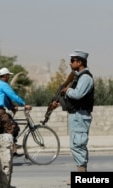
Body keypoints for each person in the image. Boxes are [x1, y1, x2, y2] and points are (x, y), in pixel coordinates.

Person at [51, 50, 94, 185]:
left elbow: (77, 95)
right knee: (77, 145)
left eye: (72, 61)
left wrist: (67, 90)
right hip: (76, 115)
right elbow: (73, 100)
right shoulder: (79, 77)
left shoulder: (85, 78)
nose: (70, 63)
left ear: (79, 62)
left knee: (78, 145)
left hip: (80, 116)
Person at [0, 67, 32, 157]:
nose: (9, 78)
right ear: (6, 76)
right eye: (8, 76)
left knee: (7, 124)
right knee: (10, 128)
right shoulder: (3, 85)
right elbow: (13, 96)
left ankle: (12, 149)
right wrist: (24, 104)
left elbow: (4, 99)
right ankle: (10, 151)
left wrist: (11, 107)